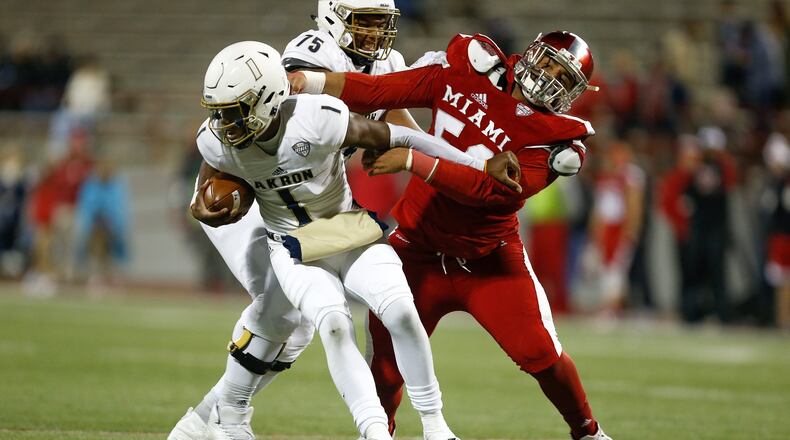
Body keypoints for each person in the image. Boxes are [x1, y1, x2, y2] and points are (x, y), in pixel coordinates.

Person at [176, 41, 520, 440]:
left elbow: (402, 137)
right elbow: (206, 191)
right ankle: (374, 433)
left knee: (401, 312)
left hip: (345, 227)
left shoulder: (317, 116)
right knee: (334, 326)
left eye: (235, 111)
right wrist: (204, 208)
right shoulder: (215, 140)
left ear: (268, 98)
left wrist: (478, 164)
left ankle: (435, 427)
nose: (225, 124)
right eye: (219, 112)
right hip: (291, 244)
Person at [291, 30, 613, 440]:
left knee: (540, 353)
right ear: (532, 52)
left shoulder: (557, 138)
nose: (551, 78)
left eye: (564, 78)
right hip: (416, 247)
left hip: (487, 259)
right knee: (386, 365)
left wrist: (413, 159)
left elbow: (490, 191)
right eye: (550, 63)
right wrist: (310, 80)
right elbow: (379, 90)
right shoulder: (467, 70)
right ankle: (378, 435)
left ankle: (588, 432)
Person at [168, 1, 437, 438]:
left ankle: (205, 420)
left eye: (380, 22)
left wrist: (447, 163)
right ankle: (218, 420)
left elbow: (398, 125)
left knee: (297, 326)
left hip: (306, 207)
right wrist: (204, 193)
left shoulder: (386, 62)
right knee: (280, 310)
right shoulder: (310, 58)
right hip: (256, 194)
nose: (373, 32)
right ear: (334, 17)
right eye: (364, 21)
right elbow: (233, 134)